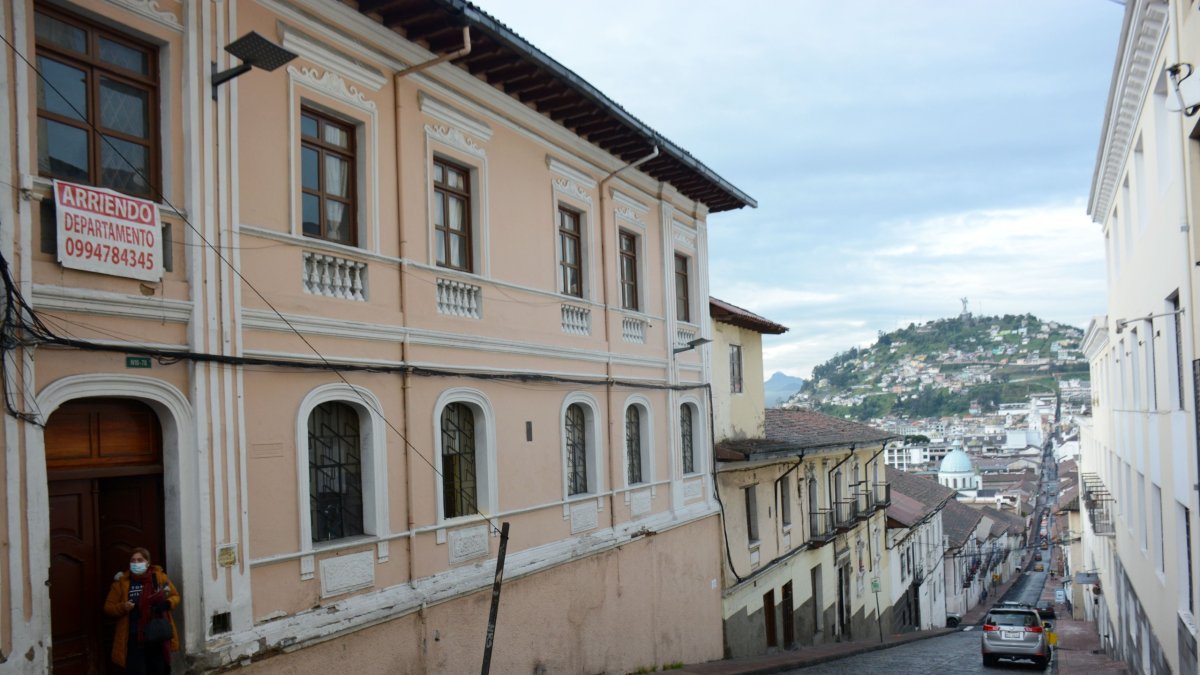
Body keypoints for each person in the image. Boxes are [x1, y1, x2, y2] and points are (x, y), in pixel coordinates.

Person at [103, 547, 180, 674]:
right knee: (136, 670)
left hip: (156, 634)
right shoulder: (122, 583)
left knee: (157, 669)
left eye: (140, 560)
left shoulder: (159, 578)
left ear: (148, 562)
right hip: (133, 636)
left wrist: (167, 604)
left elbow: (175, 595)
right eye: (133, 560)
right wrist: (123, 607)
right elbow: (108, 607)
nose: (136, 563)